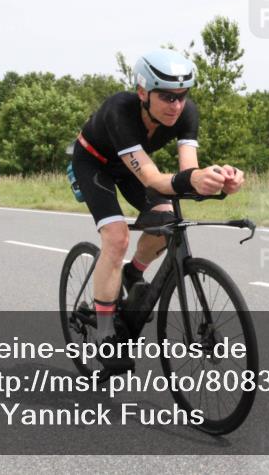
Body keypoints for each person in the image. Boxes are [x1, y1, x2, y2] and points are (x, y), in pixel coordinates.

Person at [72, 48, 244, 371]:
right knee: (116, 237)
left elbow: (187, 172)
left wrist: (220, 182)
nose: (176, 105)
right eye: (166, 97)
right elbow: (152, 177)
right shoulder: (119, 112)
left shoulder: (186, 113)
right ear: (142, 92)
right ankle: (105, 337)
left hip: (131, 167)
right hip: (94, 164)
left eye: (181, 96)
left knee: (167, 220)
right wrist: (193, 179)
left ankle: (133, 271)